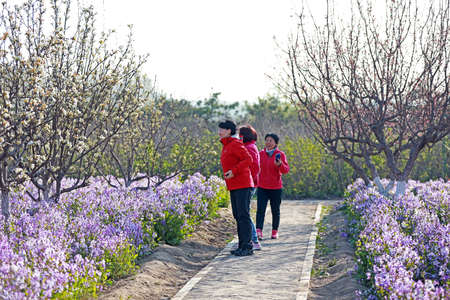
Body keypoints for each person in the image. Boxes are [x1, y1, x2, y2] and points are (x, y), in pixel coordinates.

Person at [218, 120, 254, 256]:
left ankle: (247, 246)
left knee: (243, 215)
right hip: (234, 185)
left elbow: (248, 159)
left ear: (228, 131)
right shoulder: (226, 145)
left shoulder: (235, 144)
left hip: (243, 184)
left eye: (221, 129)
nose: (219, 132)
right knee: (237, 215)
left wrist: (234, 171)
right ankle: (241, 245)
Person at [256, 133, 290, 240]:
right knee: (260, 210)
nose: (268, 143)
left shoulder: (280, 154)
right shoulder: (260, 153)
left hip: (275, 187)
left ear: (275, 143)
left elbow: (285, 170)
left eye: (270, 141)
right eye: (266, 140)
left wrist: (280, 164)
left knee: (275, 210)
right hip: (262, 186)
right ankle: (259, 231)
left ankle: (275, 231)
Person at [238, 125, 261, 250]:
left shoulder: (249, 148)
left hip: (249, 184)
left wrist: (247, 180)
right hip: (248, 183)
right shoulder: (248, 146)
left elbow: (254, 167)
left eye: (239, 134)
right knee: (244, 212)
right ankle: (251, 239)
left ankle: (254, 240)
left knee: (245, 213)